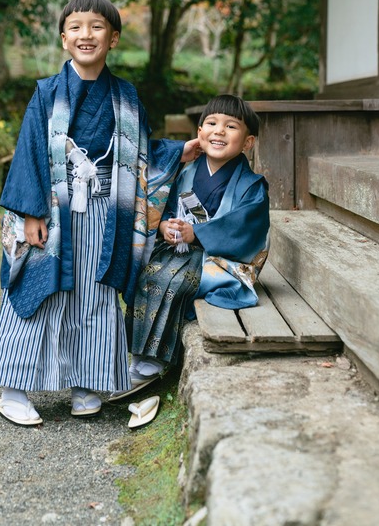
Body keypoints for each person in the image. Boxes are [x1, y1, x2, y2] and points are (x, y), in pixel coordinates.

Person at [0, 0, 196, 426]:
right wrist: (30, 213)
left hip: (107, 211)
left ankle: (86, 384)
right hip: (53, 209)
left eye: (97, 27)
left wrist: (178, 152)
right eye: (76, 27)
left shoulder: (126, 96)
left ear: (112, 38)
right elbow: (29, 151)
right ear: (64, 39)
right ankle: (13, 391)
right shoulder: (46, 93)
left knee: (96, 294)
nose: (86, 34)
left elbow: (141, 151)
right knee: (41, 291)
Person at [113, 94, 270, 401]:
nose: (219, 131)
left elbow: (245, 230)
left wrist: (196, 233)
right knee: (144, 270)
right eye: (211, 123)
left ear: (248, 142)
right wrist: (165, 227)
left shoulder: (252, 185)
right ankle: (134, 353)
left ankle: (153, 360)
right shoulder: (186, 172)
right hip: (182, 251)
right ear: (199, 133)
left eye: (231, 126)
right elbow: (166, 208)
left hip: (223, 260)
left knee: (170, 279)